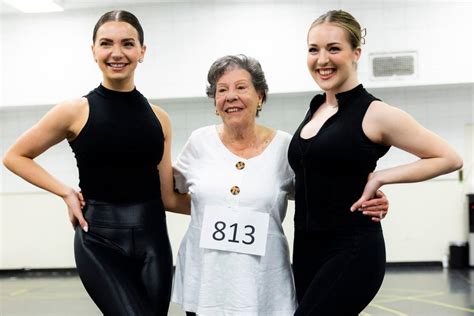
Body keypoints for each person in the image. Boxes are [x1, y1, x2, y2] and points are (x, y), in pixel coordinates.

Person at [170, 54, 389, 315]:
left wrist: (370, 195)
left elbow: (321, 193)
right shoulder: (198, 142)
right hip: (207, 278)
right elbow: (173, 195)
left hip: (264, 279)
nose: (231, 96)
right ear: (215, 102)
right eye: (221, 90)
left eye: (241, 87)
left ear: (260, 96)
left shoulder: (285, 147)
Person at [3, 10, 189, 316]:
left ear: (142, 51)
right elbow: (14, 156)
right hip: (99, 239)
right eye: (106, 44)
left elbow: (168, 196)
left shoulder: (160, 119)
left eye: (127, 44)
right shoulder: (74, 111)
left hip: (153, 238)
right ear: (94, 52)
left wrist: (226, 204)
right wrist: (64, 191)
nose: (117, 53)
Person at [287, 10, 463, 315]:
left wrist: (380, 178)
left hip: (351, 249)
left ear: (356, 53)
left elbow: (448, 157)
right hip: (306, 249)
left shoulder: (375, 112)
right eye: (313, 49)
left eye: (334, 48)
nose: (322, 59)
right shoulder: (316, 108)